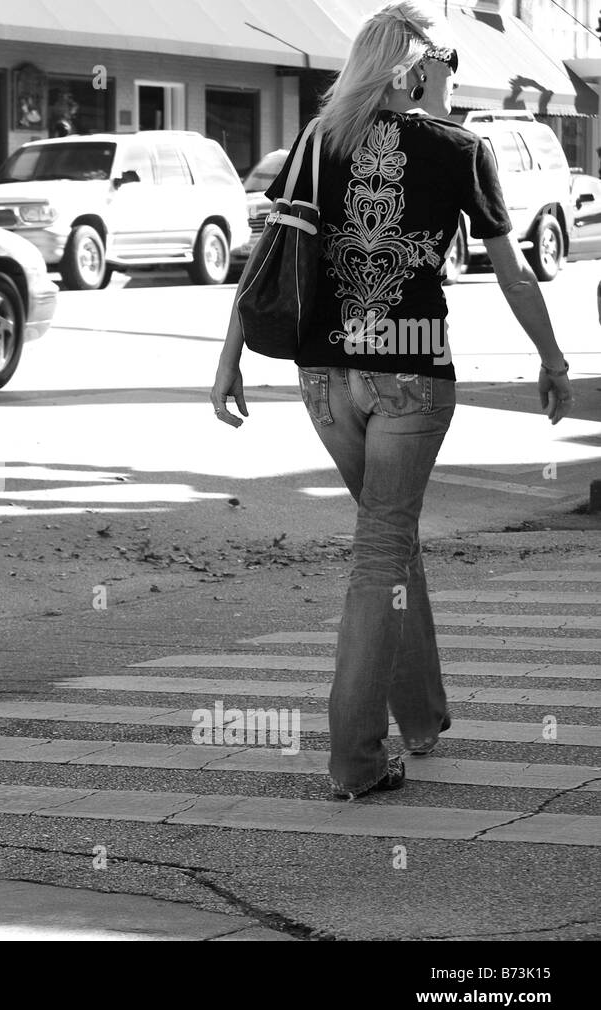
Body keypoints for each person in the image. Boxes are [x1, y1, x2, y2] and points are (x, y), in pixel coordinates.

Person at [210, 0, 574, 800]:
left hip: (322, 382)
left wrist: (229, 356)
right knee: (382, 551)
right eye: (444, 64)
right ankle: (355, 758)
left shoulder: (317, 139)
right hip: (409, 372)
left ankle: (423, 715)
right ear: (417, 69)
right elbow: (513, 272)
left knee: (391, 537)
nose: (451, 76)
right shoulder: (459, 148)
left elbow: (266, 253)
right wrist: (552, 357)